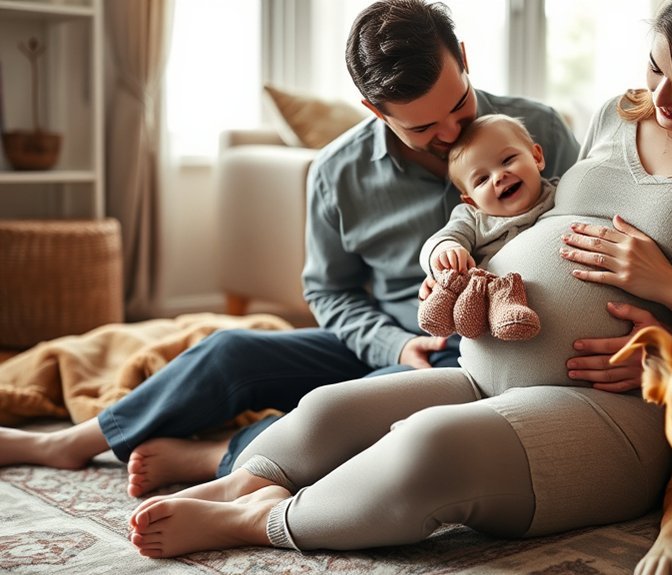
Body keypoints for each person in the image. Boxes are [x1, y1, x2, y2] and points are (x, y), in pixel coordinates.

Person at [126, 0, 672, 559]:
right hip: (486, 362)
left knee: (429, 449)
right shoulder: (616, 113)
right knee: (333, 407)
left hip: (616, 405)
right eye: (655, 68)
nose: (660, 94)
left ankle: (265, 521)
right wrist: (467, 277)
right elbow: (534, 218)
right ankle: (239, 484)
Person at [0, 0, 587, 498]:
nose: (451, 134)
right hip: (387, 337)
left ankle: (216, 459)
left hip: (479, 354)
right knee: (229, 348)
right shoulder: (338, 171)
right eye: (422, 128)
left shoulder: (536, 130)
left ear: (463, 59)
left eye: (458, 106)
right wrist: (393, 341)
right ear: (375, 110)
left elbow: (579, 232)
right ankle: (73, 441)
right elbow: (327, 291)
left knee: (369, 419)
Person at [417, 113, 555, 341]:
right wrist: (446, 251)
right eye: (481, 180)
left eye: (508, 160)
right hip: (489, 304)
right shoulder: (473, 218)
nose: (499, 176)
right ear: (471, 201)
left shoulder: (560, 195)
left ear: (536, 157)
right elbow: (439, 240)